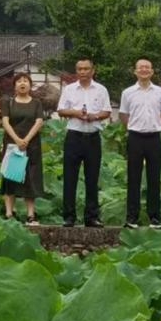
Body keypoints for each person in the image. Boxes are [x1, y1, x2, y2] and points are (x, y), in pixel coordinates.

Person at [118, 58, 161, 229]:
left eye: (147, 67)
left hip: (154, 138)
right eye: (140, 67)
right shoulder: (127, 93)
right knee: (133, 178)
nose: (144, 70)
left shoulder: (160, 92)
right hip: (135, 137)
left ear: (152, 71)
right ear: (135, 71)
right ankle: (132, 217)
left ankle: (155, 217)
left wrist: (156, 126)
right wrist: (133, 128)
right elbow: (123, 115)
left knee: (154, 178)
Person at [56, 58, 112, 227]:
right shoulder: (69, 89)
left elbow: (107, 111)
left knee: (92, 178)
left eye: (86, 69)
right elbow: (60, 110)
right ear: (76, 71)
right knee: (70, 178)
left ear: (93, 70)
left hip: (93, 137)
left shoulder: (101, 90)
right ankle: (69, 216)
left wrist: (94, 116)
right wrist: (75, 112)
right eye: (80, 69)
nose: (83, 72)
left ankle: (92, 216)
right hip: (74, 136)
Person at [0, 72, 45, 224]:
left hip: (31, 145)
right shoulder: (8, 102)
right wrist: (18, 140)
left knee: (30, 179)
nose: (22, 83)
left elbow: (39, 122)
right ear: (14, 86)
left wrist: (25, 139)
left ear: (30, 85)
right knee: (10, 178)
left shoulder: (36, 103)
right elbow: (5, 122)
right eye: (19, 81)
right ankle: (8, 213)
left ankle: (31, 214)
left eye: (25, 81)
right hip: (13, 145)